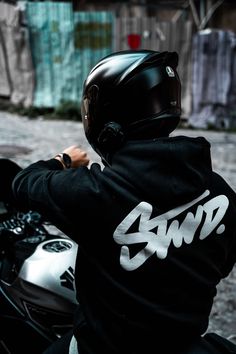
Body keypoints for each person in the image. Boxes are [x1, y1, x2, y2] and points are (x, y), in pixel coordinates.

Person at [12, 50, 236, 354]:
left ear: (108, 114)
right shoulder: (219, 192)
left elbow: (24, 182)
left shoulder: (94, 193)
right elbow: (222, 264)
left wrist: (64, 159)